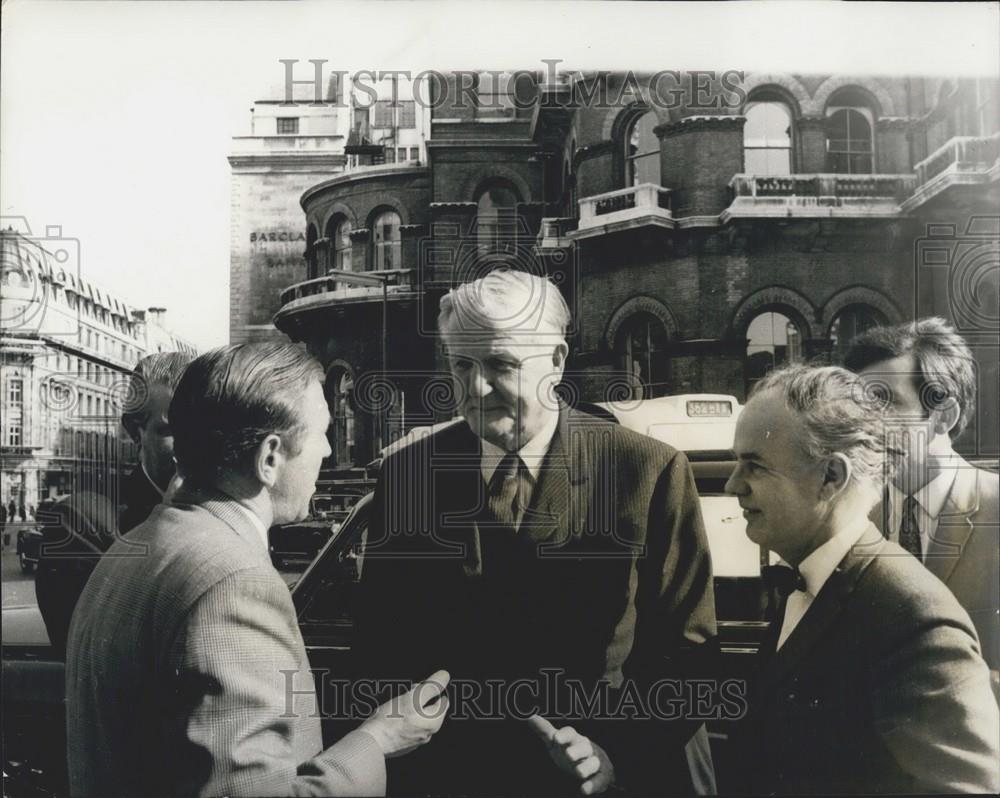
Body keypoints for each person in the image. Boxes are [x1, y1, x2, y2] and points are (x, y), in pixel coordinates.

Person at [353, 269, 717, 796]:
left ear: (557, 362)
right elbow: (377, 648)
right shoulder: (409, 476)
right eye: (461, 365)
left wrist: (615, 754)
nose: (476, 388)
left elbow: (689, 658)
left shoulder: (645, 471)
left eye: (500, 365)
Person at [66, 343, 449, 797]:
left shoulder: (131, 550)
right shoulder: (234, 584)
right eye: (322, 432)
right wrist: (378, 740)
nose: (327, 450)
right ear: (270, 457)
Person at [725, 364, 999, 794]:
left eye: (754, 467)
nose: (732, 485)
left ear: (831, 477)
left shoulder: (911, 617)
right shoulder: (813, 579)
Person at [844, 317, 999, 678]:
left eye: (885, 402)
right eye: (859, 406)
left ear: (943, 416)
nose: (863, 424)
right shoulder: (849, 516)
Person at [35, 351, 196, 655]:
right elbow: (90, 651)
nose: (189, 447)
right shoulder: (84, 520)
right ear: (134, 431)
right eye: (170, 430)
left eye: (199, 429)